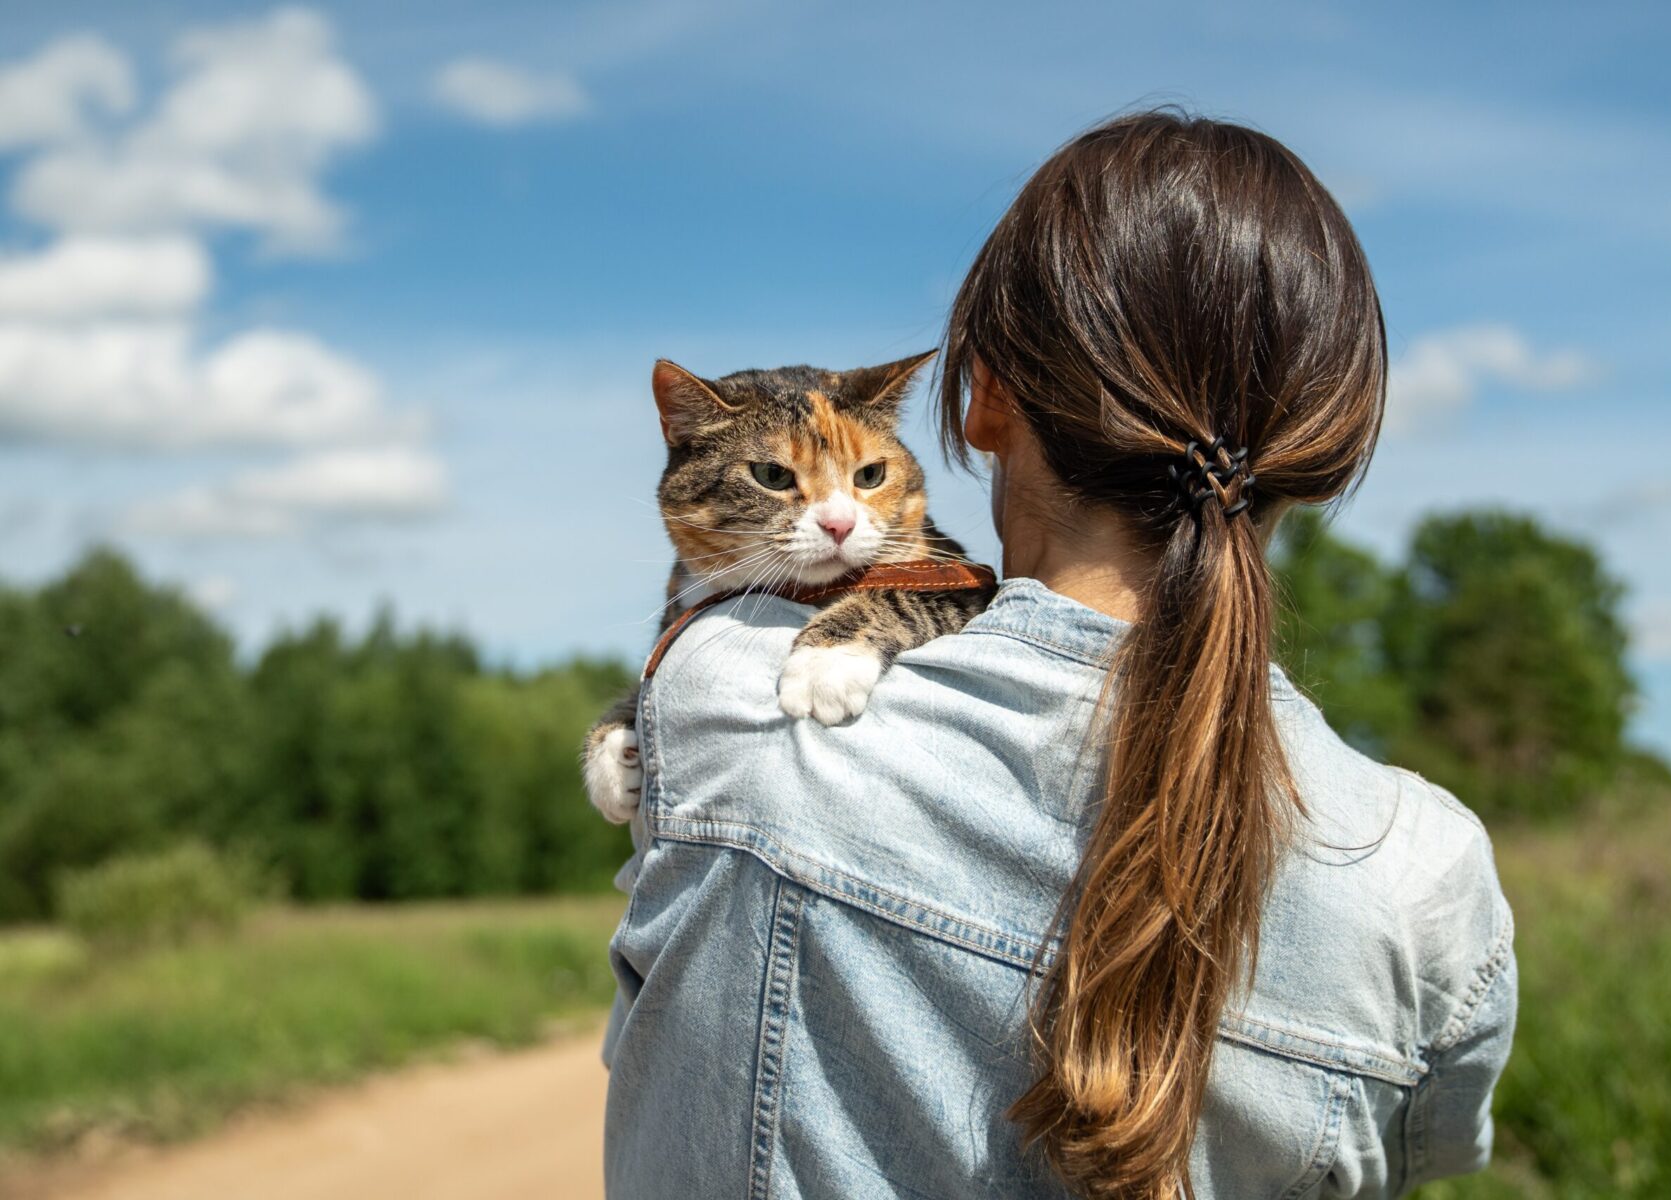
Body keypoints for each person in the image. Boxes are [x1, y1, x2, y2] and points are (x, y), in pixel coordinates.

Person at [602, 110, 1515, 1199]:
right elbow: (1438, 1155)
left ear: (986, 397)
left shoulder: (727, 706)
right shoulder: (1430, 873)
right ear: (1323, 445)